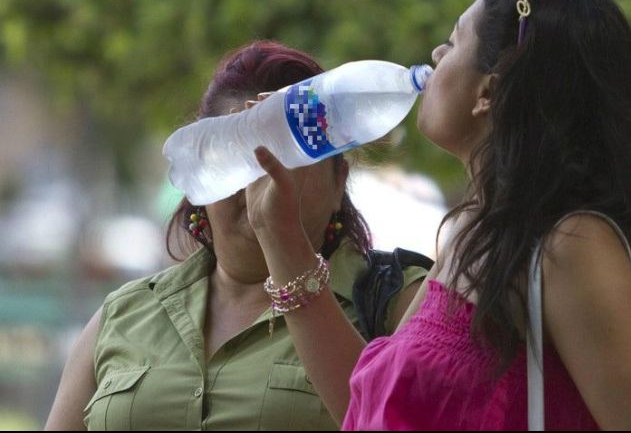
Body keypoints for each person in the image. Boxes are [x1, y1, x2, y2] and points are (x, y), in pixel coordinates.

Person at [249, 0, 631, 431]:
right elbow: (372, 406)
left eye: (454, 41)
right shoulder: (471, 233)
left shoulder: (573, 246)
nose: (436, 54)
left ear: (489, 92)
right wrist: (277, 232)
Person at [44, 40, 428, 431]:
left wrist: (282, 237)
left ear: (338, 182)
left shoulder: (401, 303)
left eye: (290, 154)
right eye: (237, 153)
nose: (263, 174)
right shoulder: (123, 314)